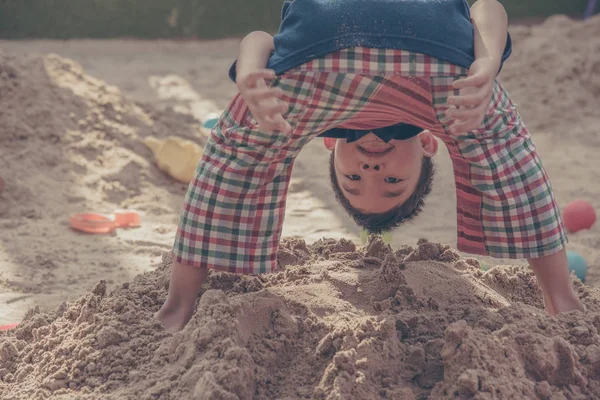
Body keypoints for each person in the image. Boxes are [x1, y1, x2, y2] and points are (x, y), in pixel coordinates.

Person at [156, 0, 584, 333]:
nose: (373, 170)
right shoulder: (451, 111)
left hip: (313, 63)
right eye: (393, 181)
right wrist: (488, 64)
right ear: (427, 142)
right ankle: (561, 298)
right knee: (500, 142)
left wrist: (248, 76)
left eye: (354, 179)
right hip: (442, 67)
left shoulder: (309, 112)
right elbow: (486, 8)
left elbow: (260, 37)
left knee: (240, 147)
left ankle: (177, 306)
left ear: (328, 143)